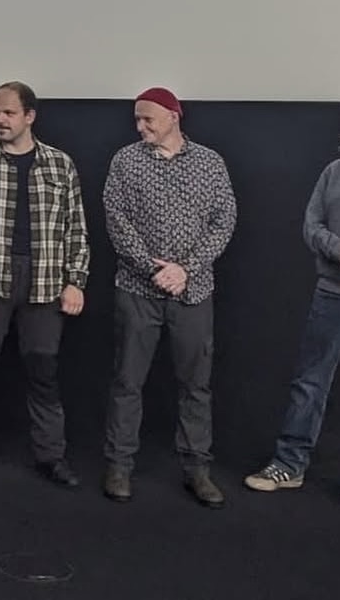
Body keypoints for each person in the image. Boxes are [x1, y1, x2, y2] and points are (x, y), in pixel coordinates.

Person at [0, 81, 89, 493]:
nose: (0, 120)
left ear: (30, 116)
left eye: (8, 113)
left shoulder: (60, 164)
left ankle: (51, 456)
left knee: (44, 375)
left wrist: (75, 281)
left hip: (44, 284)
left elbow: (76, 229)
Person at [102, 87, 237, 509]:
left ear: (173, 116)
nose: (140, 127)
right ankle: (119, 466)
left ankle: (197, 469)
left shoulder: (209, 163)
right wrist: (153, 269)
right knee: (127, 381)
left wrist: (185, 269)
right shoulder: (125, 161)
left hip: (193, 293)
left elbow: (224, 221)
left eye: (148, 119)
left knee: (196, 385)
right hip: (137, 291)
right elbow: (116, 219)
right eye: (137, 120)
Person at [244, 154, 340, 492]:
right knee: (310, 382)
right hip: (332, 293)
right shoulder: (333, 171)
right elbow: (311, 227)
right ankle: (289, 465)